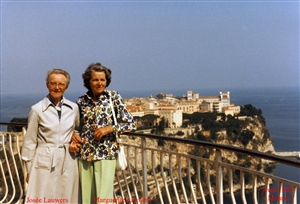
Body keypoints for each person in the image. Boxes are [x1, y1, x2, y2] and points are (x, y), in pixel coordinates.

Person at [69, 62, 136, 204]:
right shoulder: (81, 102)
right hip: (85, 153)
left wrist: (110, 128)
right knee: (86, 197)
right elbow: (76, 126)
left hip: (106, 153)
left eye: (102, 79)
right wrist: (74, 135)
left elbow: (131, 124)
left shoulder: (113, 98)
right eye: (95, 79)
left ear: (107, 81)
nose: (99, 83)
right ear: (88, 81)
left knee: (103, 197)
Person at [21, 69, 80, 203]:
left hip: (68, 160)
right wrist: (29, 170)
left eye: (61, 84)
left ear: (66, 87)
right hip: (44, 160)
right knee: (43, 197)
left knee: (67, 196)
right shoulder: (37, 109)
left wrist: (74, 139)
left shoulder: (73, 108)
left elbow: (77, 129)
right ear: (47, 85)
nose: (57, 87)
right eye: (53, 83)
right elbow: (30, 141)